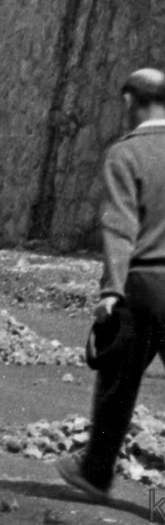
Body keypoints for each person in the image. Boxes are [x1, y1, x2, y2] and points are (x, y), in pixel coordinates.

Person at [58, 67, 165, 503]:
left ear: (128, 103)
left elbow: (121, 228)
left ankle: (95, 473)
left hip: (142, 285)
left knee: (118, 383)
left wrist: (111, 291)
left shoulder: (126, 154)